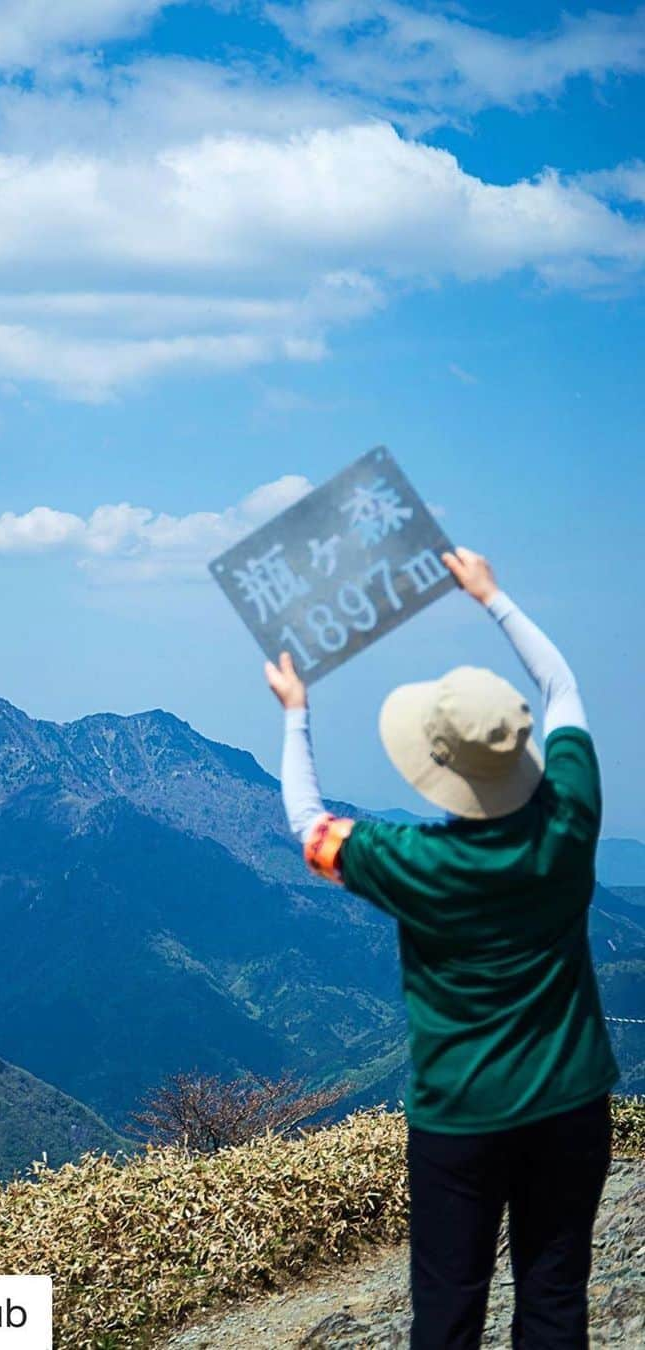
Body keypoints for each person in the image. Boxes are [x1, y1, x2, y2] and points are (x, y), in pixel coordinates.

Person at [265, 545, 620, 1350]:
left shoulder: (412, 859)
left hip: (460, 1118)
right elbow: (562, 688)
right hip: (572, 1103)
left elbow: (306, 826)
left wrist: (296, 711)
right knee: (556, 1298)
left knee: (448, 1310)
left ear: (437, 766)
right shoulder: (571, 817)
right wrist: (493, 595)